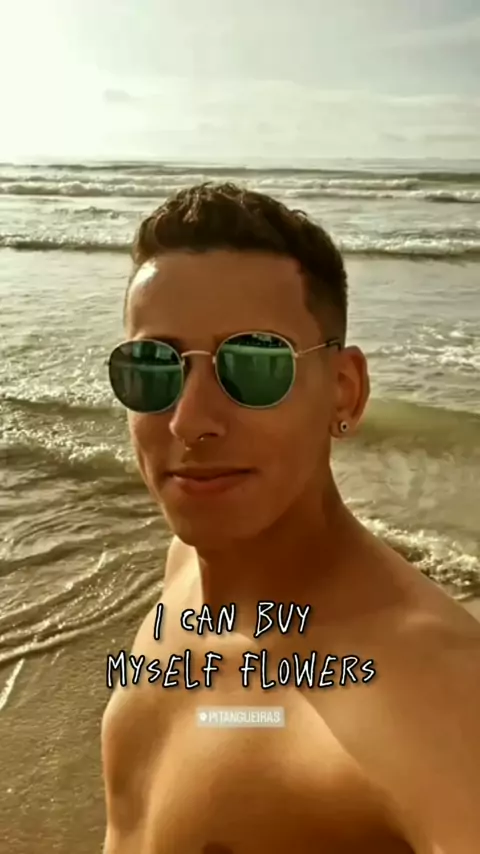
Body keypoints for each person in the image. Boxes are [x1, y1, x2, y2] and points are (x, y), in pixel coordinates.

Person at [101, 182, 480, 854]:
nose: (189, 421)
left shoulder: (434, 689)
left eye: (254, 365)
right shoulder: (186, 567)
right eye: (153, 366)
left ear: (344, 393)